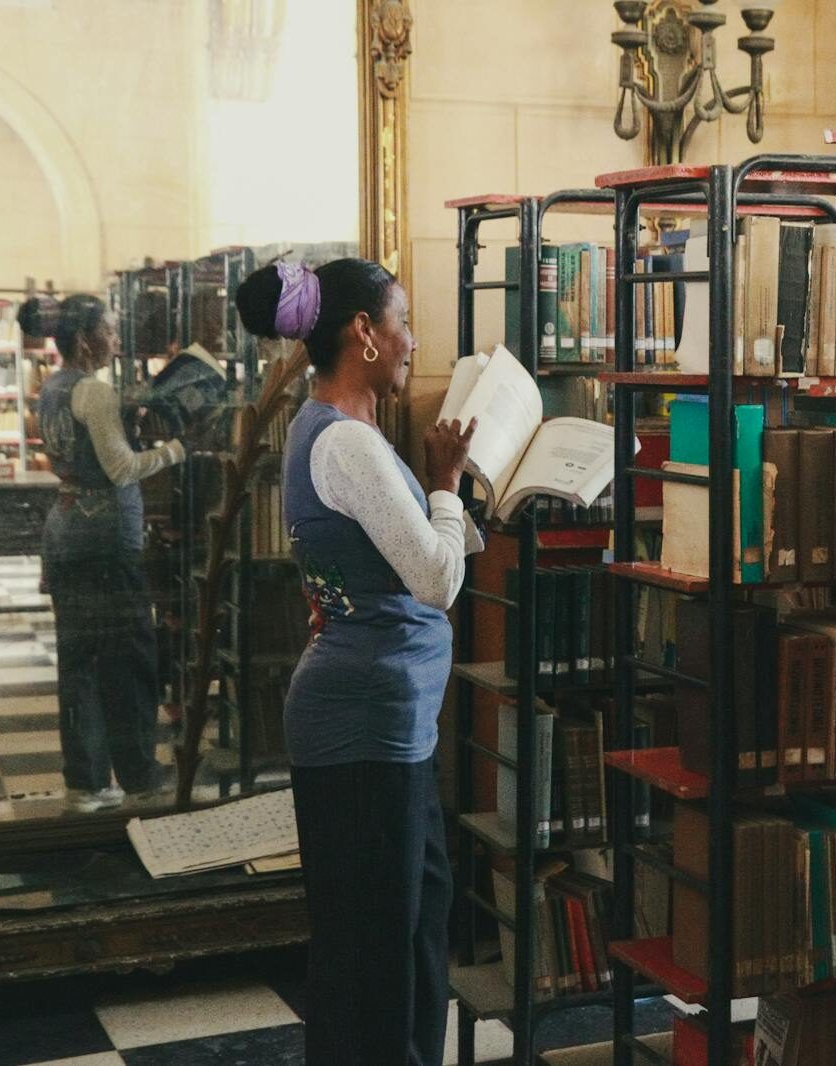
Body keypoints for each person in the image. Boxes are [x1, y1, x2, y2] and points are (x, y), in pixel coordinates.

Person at [235, 257, 482, 1065]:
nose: (414, 340)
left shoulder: (337, 431)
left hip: (387, 724)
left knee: (409, 930)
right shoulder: (348, 445)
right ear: (364, 335)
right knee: (373, 957)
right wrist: (446, 484)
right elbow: (435, 579)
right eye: (403, 320)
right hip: (364, 728)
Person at [20, 294, 183, 814]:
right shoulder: (94, 390)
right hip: (107, 539)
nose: (116, 338)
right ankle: (138, 774)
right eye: (110, 330)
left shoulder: (51, 386)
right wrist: (178, 450)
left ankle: (86, 781)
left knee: (78, 660)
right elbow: (121, 469)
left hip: (66, 530)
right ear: (88, 338)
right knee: (130, 657)